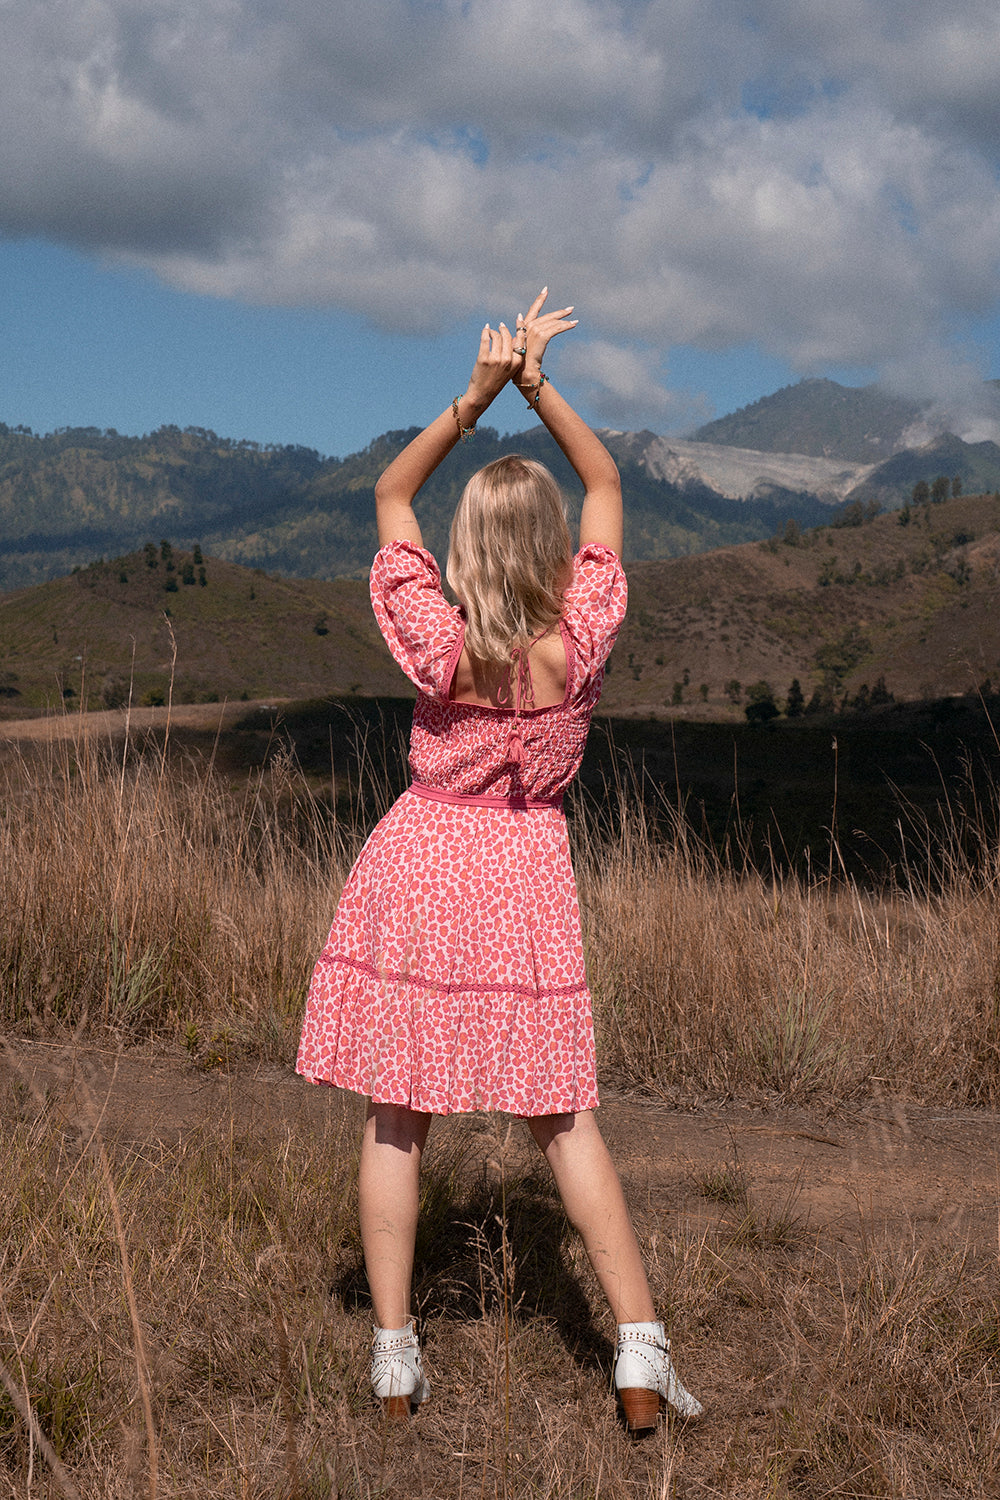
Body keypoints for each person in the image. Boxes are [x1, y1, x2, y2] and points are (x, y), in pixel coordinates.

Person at [296, 289, 702, 1433]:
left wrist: (471, 402)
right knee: (562, 1117)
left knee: (396, 1115)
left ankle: (392, 1360)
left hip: (421, 863)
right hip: (527, 874)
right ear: (551, 548)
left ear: (469, 547)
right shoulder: (584, 632)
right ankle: (635, 1350)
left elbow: (388, 494)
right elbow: (610, 487)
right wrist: (536, 383)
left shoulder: (434, 636)